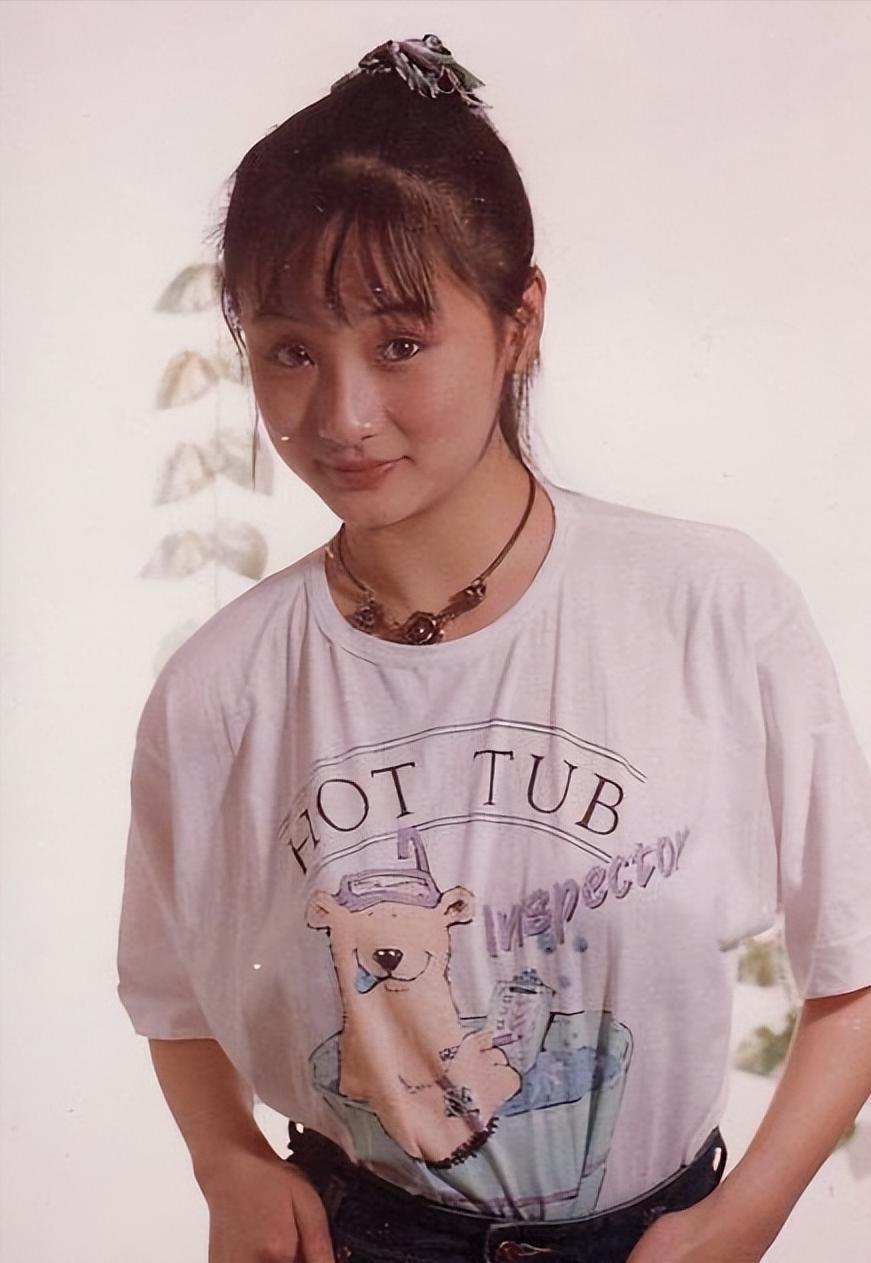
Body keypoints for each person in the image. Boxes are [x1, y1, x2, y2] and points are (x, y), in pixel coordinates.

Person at [116, 33, 871, 1263]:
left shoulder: (708, 606)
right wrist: (227, 1161)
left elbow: (856, 966)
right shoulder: (222, 689)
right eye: (291, 351)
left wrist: (743, 1220)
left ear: (520, 323)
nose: (343, 415)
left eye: (400, 344)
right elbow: (168, 990)